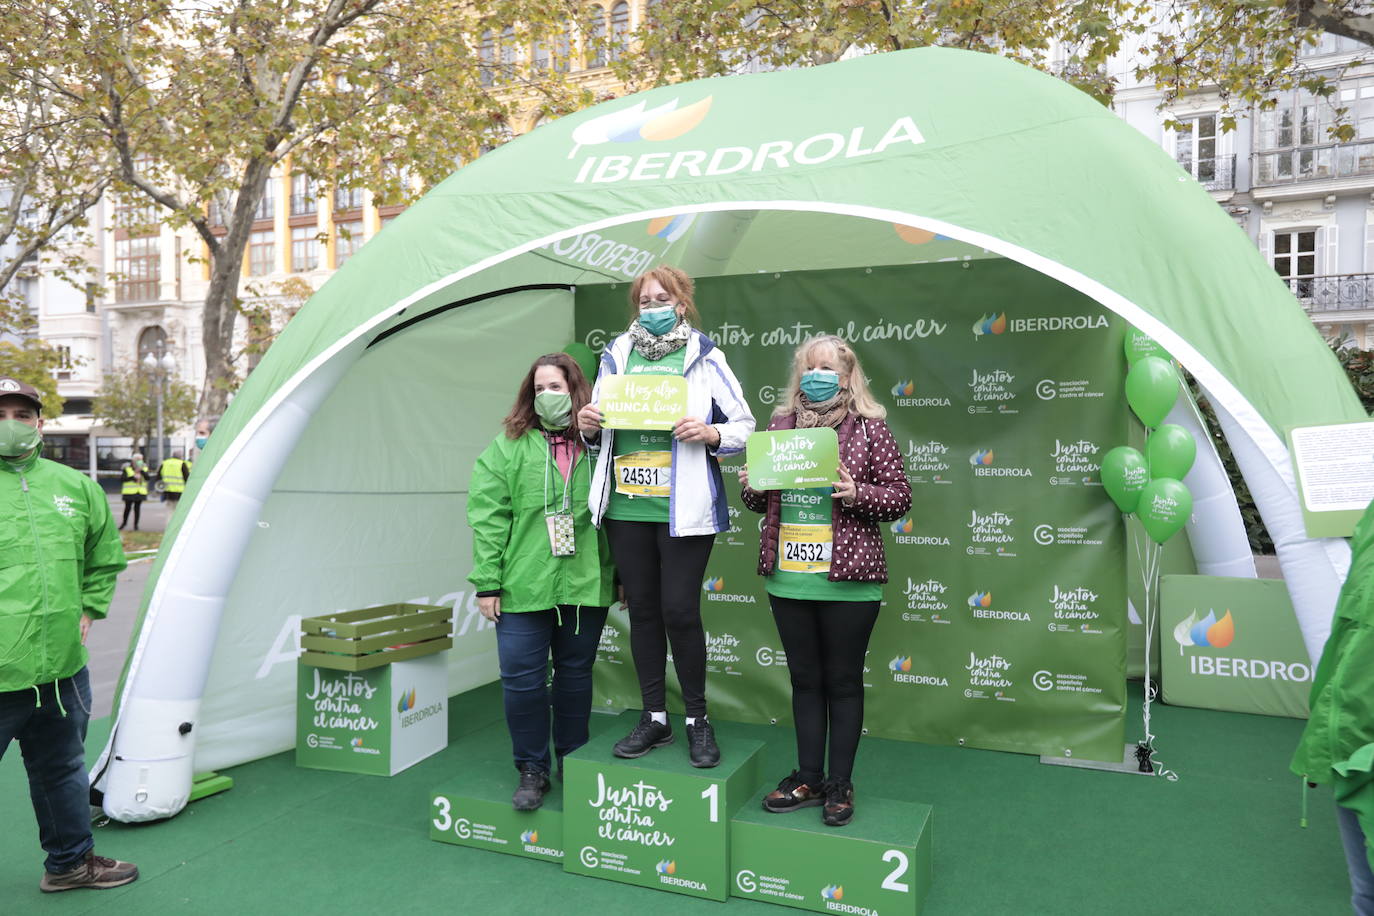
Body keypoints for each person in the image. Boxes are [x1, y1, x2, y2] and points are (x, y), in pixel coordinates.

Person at [578, 265, 755, 768]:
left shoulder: (704, 356)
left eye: (662, 300)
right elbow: (599, 429)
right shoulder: (617, 355)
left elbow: (743, 423)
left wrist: (712, 434)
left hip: (685, 509)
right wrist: (589, 425)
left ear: (681, 304)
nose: (651, 309)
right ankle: (655, 718)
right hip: (628, 506)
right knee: (646, 613)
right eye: (644, 301)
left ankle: (698, 720)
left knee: (680, 610)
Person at [739, 335, 910, 827]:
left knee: (842, 681)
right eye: (809, 367)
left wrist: (857, 493)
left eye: (827, 368)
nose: (816, 375)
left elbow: (899, 498)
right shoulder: (779, 426)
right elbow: (759, 502)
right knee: (804, 680)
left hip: (849, 579)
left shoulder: (870, 429)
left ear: (847, 376)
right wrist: (750, 485)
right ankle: (809, 777)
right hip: (790, 577)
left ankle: (840, 783)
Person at [0, 376, 138, 891]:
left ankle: (70, 864)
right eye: (1, 415)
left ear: (39, 422)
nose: (10, 425)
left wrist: (91, 607)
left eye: (20, 414)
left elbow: (105, 555)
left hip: (61, 670)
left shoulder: (74, 486)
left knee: (62, 772)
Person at [468, 353, 617, 810]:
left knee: (574, 677)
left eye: (556, 387)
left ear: (578, 392)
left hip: (584, 584)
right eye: (539, 389)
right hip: (523, 584)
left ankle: (571, 757)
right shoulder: (508, 447)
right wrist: (488, 582)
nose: (547, 396)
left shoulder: (604, 445)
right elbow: (489, 516)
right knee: (522, 681)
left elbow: (621, 515)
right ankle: (531, 769)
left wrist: (623, 576)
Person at [1292, 497, 1374, 915]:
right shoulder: (1371, 523)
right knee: (1366, 896)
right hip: (1352, 755)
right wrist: (1319, 745)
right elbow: (1347, 637)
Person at [118, 452, 148, 530]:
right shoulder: (127, 468)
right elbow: (122, 479)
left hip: (140, 492)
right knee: (127, 508)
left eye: (141, 459)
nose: (139, 461)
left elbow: (148, 478)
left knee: (137, 509)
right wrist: (132, 477)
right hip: (129, 493)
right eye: (138, 459)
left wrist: (141, 471)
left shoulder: (144, 468)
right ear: (133, 460)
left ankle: (136, 525)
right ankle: (124, 524)